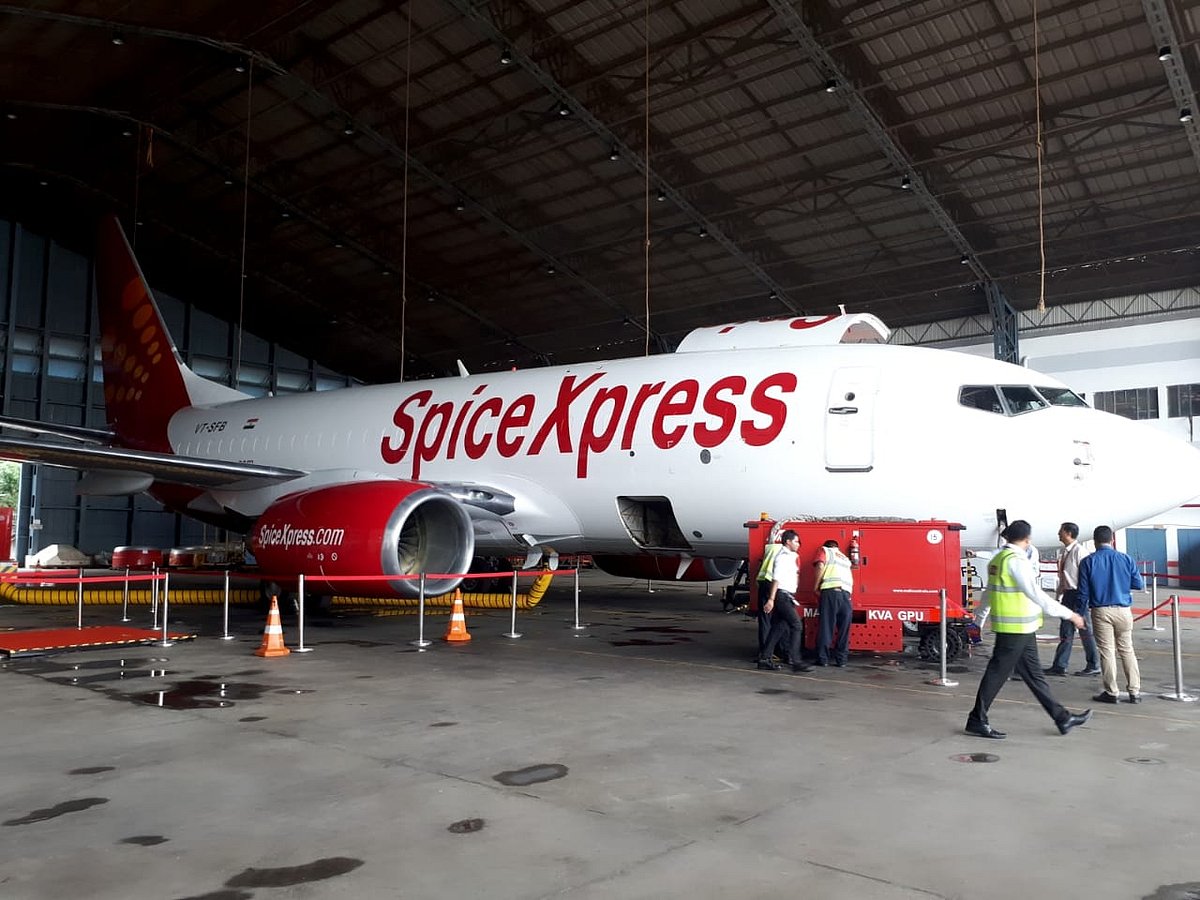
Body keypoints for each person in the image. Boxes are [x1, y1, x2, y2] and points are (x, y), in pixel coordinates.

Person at [965, 520, 1092, 739]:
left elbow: (988, 593)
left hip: (1021, 629)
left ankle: (1062, 718)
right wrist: (1070, 614)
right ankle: (977, 719)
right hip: (1015, 630)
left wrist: (979, 619)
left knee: (1034, 675)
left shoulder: (998, 558)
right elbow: (1036, 594)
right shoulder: (1016, 561)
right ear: (1027, 539)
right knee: (997, 674)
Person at [1079, 525, 1144, 704]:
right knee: (1127, 649)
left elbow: (1083, 593)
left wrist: (1078, 614)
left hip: (1101, 611)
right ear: (1112, 540)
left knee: (1107, 651)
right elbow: (1139, 584)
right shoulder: (1126, 559)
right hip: (1124, 610)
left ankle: (1112, 692)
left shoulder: (1088, 562)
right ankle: (1134, 691)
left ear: (1094, 541)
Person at [1044, 522, 1099, 677]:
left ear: (1068, 533)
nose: (1058, 534)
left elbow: (1086, 577)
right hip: (1068, 595)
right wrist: (1059, 595)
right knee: (1066, 631)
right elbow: (1064, 577)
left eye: (1060, 531)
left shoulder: (1079, 552)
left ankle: (1094, 664)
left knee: (1085, 631)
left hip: (1078, 594)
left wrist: (1083, 600)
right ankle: (1060, 665)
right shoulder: (1066, 552)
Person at [757, 530, 811, 673]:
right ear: (788, 541)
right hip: (781, 596)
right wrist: (771, 599)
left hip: (787, 595)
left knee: (778, 627)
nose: (798, 544)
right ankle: (795, 661)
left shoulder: (791, 557)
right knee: (796, 625)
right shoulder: (783, 557)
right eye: (796, 541)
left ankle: (764, 659)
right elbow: (776, 579)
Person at [813, 539, 853, 667]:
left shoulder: (825, 551)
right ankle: (841, 660)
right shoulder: (845, 559)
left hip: (831, 593)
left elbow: (820, 566)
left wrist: (816, 586)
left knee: (826, 627)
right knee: (844, 630)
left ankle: (823, 659)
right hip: (846, 596)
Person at [755, 535, 785, 660]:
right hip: (772, 585)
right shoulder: (784, 552)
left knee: (765, 620)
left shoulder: (770, 548)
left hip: (763, 583)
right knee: (776, 620)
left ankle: (765, 651)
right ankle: (768, 652)